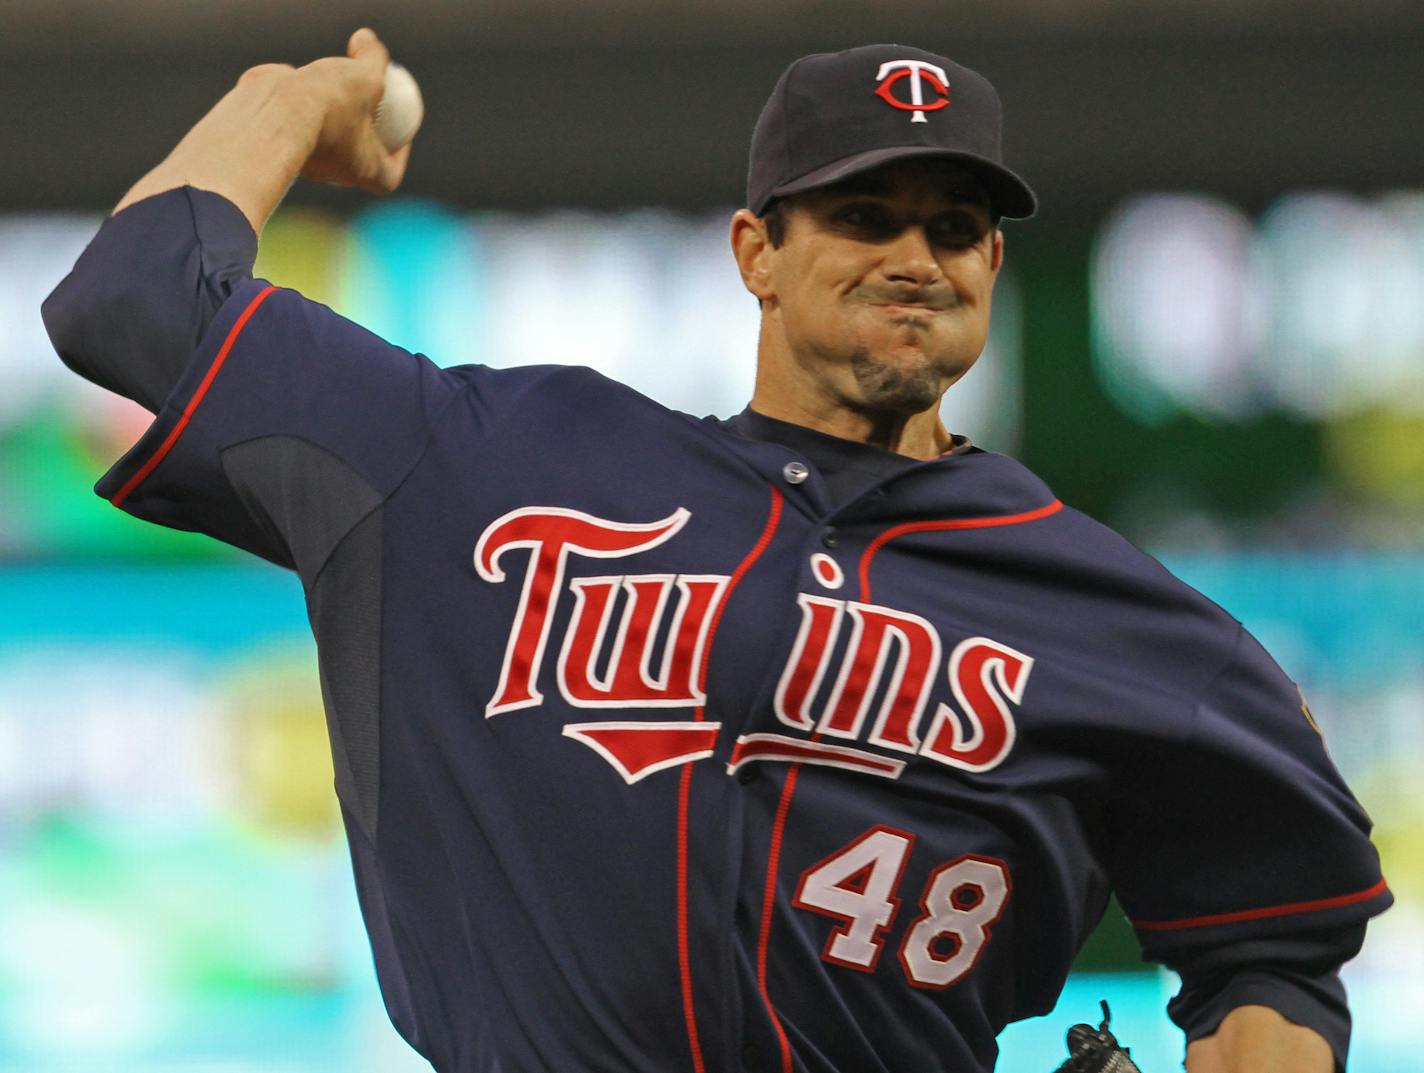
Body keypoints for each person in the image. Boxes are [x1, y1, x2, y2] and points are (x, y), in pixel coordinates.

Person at [42, 29, 1391, 1073]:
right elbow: (132, 299)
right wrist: (297, 98)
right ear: (758, 249)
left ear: (992, 265)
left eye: (954, 226)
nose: (916, 256)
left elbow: (1276, 940)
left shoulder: (1119, 618)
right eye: (864, 216)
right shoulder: (485, 458)